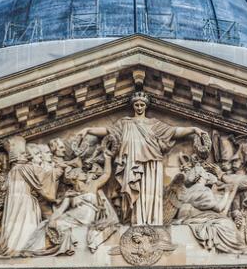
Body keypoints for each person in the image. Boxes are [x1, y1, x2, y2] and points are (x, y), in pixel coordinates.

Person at [77, 92, 207, 225]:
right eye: (137, 105)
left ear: (145, 106)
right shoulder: (125, 123)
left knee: (150, 192)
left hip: (152, 163)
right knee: (133, 192)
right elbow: (108, 131)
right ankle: (135, 220)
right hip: (131, 162)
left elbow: (174, 131)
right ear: (133, 106)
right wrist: (88, 129)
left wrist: (193, 129)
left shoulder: (154, 124)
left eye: (142, 105)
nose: (139, 107)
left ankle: (151, 221)